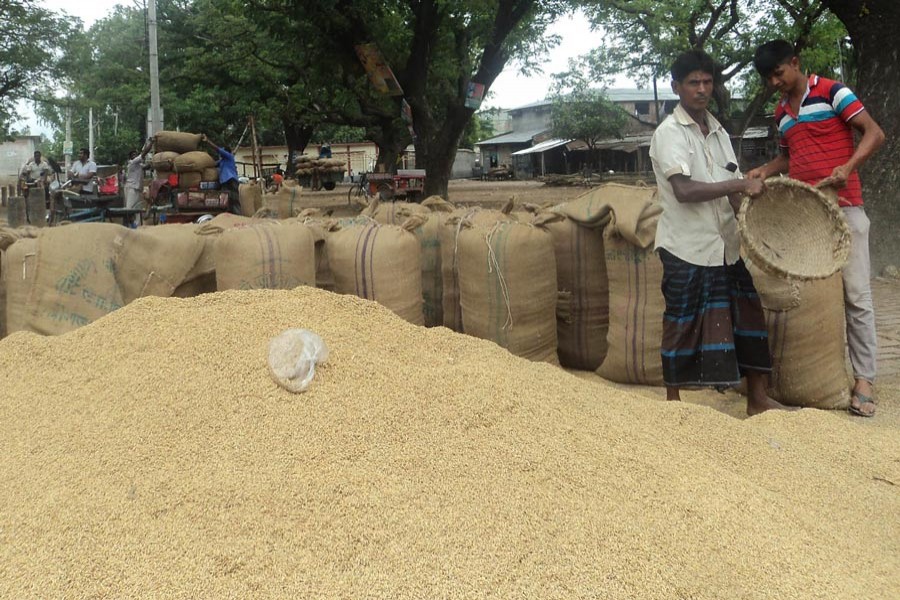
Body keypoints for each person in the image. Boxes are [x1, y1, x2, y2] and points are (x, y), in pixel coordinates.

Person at [649, 49, 794, 416]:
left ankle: (757, 400)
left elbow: (733, 188)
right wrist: (738, 186)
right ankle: (673, 404)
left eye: (707, 81)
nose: (701, 89)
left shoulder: (717, 132)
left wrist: (752, 227)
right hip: (687, 245)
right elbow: (684, 191)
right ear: (676, 87)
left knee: (748, 315)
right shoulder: (669, 133)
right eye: (693, 82)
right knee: (681, 322)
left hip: (726, 245)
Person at [748, 40, 886, 417]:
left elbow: (874, 133)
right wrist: (765, 170)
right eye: (768, 77)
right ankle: (815, 377)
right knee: (812, 302)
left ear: (795, 63)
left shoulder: (832, 92)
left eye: (779, 72)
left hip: (845, 211)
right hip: (807, 223)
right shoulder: (781, 113)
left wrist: (849, 167)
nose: (775, 81)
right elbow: (788, 156)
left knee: (857, 297)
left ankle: (864, 380)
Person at [201, 135, 241, 214]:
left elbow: (217, 149)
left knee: (234, 199)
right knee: (224, 200)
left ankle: (238, 216)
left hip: (231, 180)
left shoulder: (229, 156)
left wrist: (208, 141)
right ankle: (228, 216)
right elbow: (213, 164)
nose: (220, 154)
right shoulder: (222, 161)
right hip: (224, 182)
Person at [124, 138, 154, 227]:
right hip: (132, 188)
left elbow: (147, 166)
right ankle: (128, 227)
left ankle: (137, 227)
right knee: (130, 209)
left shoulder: (139, 165)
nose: (135, 156)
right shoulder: (133, 163)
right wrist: (151, 143)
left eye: (136, 154)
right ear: (130, 157)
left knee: (137, 209)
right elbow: (144, 153)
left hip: (136, 189)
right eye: (133, 155)